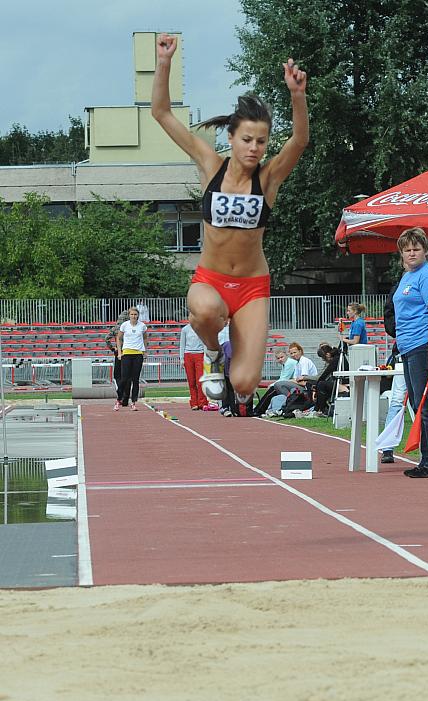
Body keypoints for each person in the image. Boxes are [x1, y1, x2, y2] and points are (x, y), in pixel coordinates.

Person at [152, 33, 309, 417]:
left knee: (243, 384)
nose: (254, 148)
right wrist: (164, 63)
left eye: (261, 141)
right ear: (231, 137)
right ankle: (211, 348)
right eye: (247, 140)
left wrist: (297, 96)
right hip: (211, 279)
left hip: (253, 287)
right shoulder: (210, 165)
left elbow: (300, 141)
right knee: (205, 311)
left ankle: (228, 364)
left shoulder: (268, 179)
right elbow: (162, 114)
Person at [393, 227, 428, 477]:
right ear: (402, 254)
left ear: (425, 250)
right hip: (408, 347)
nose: (412, 253)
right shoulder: (407, 276)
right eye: (407, 250)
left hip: (423, 345)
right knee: (419, 404)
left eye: (416, 249)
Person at [116, 307, 148, 411]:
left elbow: (145, 338)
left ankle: (133, 402)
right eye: (132, 314)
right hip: (127, 353)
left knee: (135, 379)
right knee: (124, 378)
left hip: (138, 354)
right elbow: (119, 338)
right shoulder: (124, 325)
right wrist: (120, 353)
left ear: (138, 315)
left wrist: (145, 351)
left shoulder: (142, 326)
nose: (134, 316)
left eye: (135, 314)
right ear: (129, 315)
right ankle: (119, 398)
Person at [179, 322, 208, 410]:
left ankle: (202, 402)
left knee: (200, 381)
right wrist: (181, 358)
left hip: (200, 354)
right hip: (188, 355)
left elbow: (205, 343)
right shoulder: (185, 329)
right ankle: (194, 403)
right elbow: (182, 344)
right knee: (191, 381)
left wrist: (206, 357)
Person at [105, 310, 129, 410]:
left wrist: (112, 348)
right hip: (128, 352)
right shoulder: (129, 327)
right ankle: (125, 396)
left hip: (118, 352)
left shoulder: (115, 328)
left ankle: (121, 394)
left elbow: (107, 338)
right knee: (127, 376)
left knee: (117, 375)